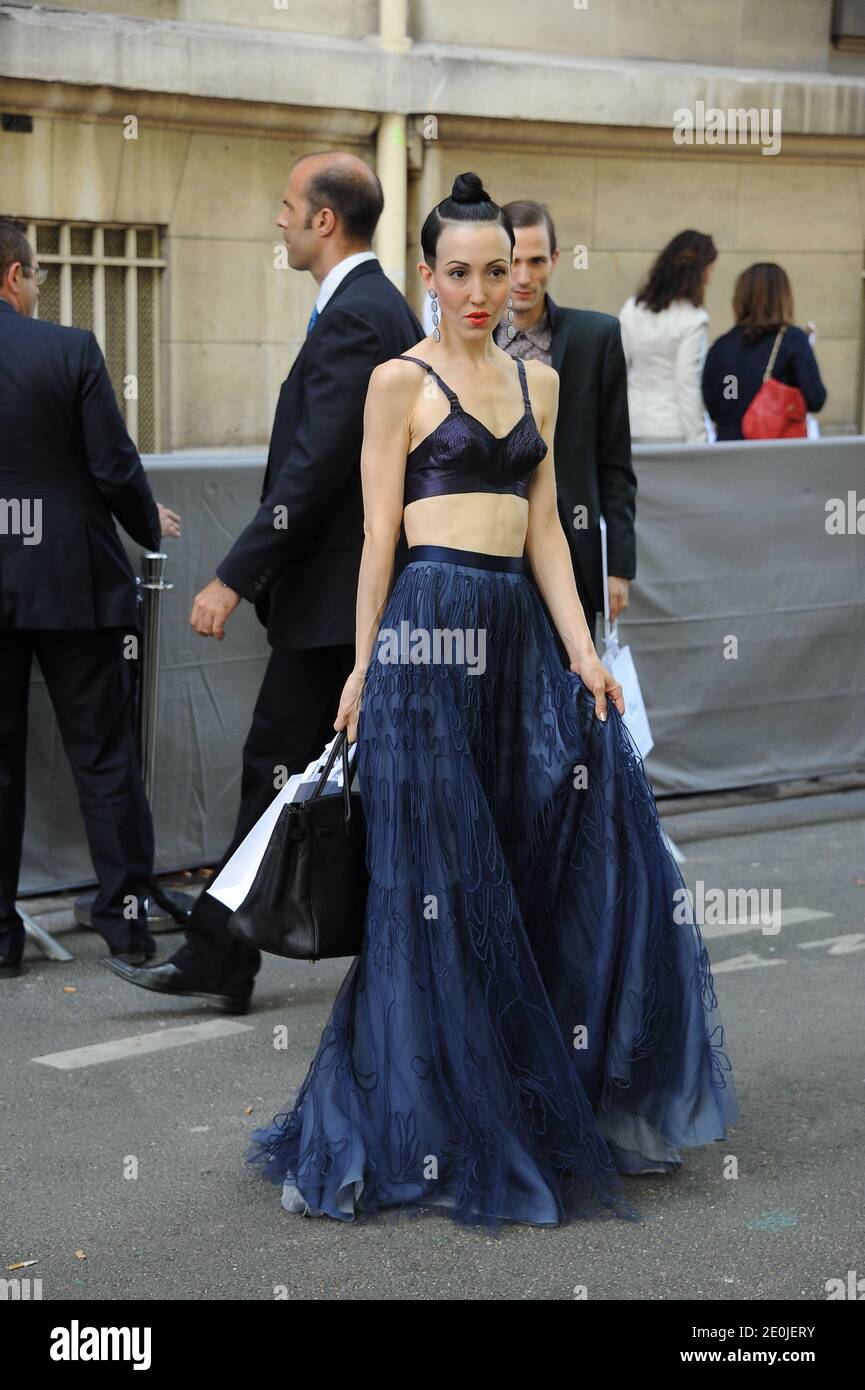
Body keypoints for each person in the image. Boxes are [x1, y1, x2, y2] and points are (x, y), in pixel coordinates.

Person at [244, 173, 738, 1231]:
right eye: (460, 273)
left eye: (497, 272)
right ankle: (418, 1119)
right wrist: (362, 666)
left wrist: (587, 654)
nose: (481, 291)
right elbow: (378, 537)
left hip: (518, 640)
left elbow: (549, 531)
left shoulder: (539, 383)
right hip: (424, 640)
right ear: (429, 276)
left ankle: (525, 1089)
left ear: (518, 273)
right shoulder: (397, 381)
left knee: (534, 864)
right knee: (437, 886)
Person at [106, 152, 423, 1011]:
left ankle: (226, 956)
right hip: (336, 599)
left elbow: (315, 466)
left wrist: (233, 578)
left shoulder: (359, 314)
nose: (277, 221)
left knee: (284, 770)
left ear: (325, 221)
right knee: (334, 777)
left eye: (287, 206)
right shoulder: (361, 307)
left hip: (333, 604)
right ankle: (240, 955)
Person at [0, 219, 181, 976]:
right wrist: (149, 523)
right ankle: (126, 923)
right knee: (103, 757)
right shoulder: (69, 349)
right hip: (73, 578)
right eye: (36, 274)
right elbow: (113, 464)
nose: (38, 288)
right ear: (14, 275)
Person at [493, 199, 635, 641]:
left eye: (536, 261)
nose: (523, 276)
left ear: (554, 260)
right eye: (512, 262)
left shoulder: (597, 338)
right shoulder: (467, 340)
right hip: (486, 554)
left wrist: (620, 567)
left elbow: (614, 459)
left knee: (570, 697)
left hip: (570, 552)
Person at [702, 263, 827, 440]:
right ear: (783, 296)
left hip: (729, 453)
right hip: (777, 454)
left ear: (740, 298)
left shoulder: (721, 346)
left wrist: (736, 394)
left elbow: (715, 406)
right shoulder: (792, 340)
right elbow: (815, 399)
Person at [619, 231, 717, 444]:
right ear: (698, 272)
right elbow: (687, 383)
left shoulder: (632, 307)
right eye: (709, 269)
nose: (709, 278)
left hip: (632, 423)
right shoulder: (694, 319)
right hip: (672, 429)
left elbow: (618, 368)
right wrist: (698, 439)